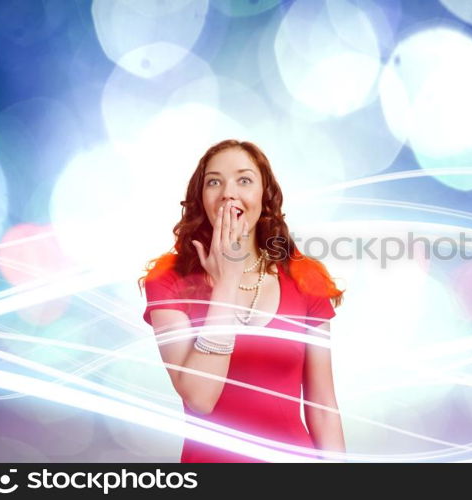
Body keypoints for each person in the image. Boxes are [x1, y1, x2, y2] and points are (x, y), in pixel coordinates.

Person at [139, 139, 345, 462]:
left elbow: (323, 409)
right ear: (201, 198)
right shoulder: (168, 281)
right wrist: (227, 282)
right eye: (214, 181)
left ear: (265, 197)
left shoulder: (306, 279)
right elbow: (200, 397)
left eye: (244, 180)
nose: (228, 193)